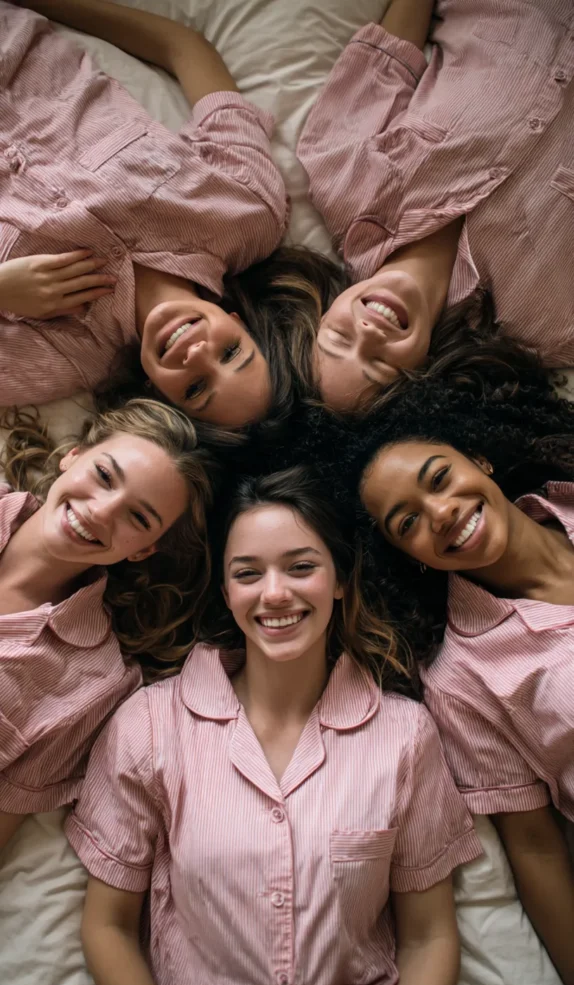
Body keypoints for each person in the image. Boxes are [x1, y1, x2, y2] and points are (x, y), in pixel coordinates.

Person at [65, 466, 481, 985]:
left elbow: (428, 938)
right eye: (248, 573)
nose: (275, 593)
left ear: (339, 578)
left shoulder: (404, 736)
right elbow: (108, 925)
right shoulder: (148, 726)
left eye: (302, 567)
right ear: (227, 591)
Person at [293, 358, 574, 985]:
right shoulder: (463, 680)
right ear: (410, 558)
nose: (441, 513)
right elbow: (535, 851)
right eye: (408, 523)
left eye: (440, 478)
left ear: (481, 459)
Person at [0, 0, 345, 428]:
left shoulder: (68, 356)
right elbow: (184, 46)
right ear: (240, 323)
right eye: (231, 352)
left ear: (160, 398)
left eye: (195, 389)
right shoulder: (245, 210)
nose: (197, 354)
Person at [297, 0, 574, 411]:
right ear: (422, 376)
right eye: (378, 366)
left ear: (322, 313)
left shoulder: (340, 172)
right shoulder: (549, 325)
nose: (368, 334)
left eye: (338, 339)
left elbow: (391, 55)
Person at [0, 397, 216, 852]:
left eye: (138, 518)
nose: (101, 512)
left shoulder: (92, 685)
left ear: (142, 551)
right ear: (73, 456)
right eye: (103, 477)